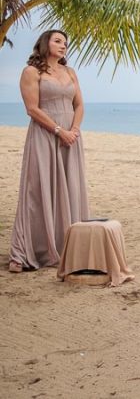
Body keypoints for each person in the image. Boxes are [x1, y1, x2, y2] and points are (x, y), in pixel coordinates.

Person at [8, 30, 90, 272]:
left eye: (65, 42)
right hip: (45, 135)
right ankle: (25, 251)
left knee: (70, 187)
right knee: (39, 189)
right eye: (57, 41)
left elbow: (79, 104)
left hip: (71, 138)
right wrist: (58, 131)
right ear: (44, 43)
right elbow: (32, 109)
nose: (63, 45)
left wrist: (73, 130)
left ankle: (66, 245)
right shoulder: (31, 72)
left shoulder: (70, 72)